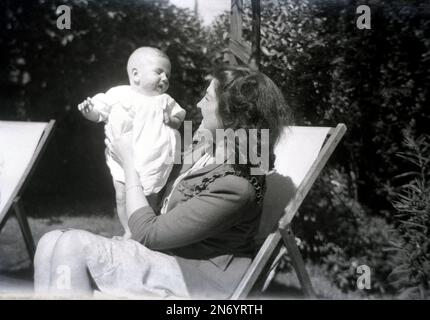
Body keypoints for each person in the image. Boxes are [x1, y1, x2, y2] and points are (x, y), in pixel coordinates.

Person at [34, 65, 292, 299]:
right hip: (173, 256)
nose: (200, 104)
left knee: (72, 246)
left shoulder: (237, 184)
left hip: (200, 280)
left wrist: (129, 163)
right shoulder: (205, 149)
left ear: (231, 114)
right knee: (49, 241)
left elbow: (147, 233)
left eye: (208, 98)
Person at [77, 47, 186, 238]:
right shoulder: (119, 94)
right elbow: (100, 112)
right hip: (122, 156)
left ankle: (143, 231)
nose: (165, 78)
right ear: (136, 75)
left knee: (148, 198)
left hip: (152, 158)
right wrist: (89, 113)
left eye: (167, 75)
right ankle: (128, 230)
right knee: (121, 196)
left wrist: (172, 121)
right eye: (159, 72)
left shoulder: (164, 100)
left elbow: (179, 117)